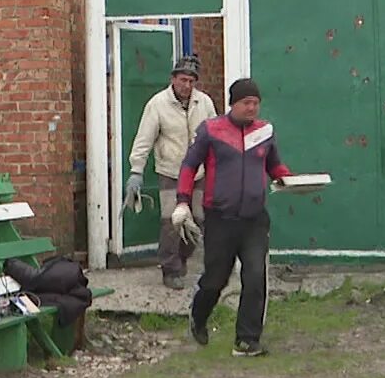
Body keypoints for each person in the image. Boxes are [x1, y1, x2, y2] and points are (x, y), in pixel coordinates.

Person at [173, 77, 290, 357]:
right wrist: (182, 202)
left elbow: (274, 165)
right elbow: (189, 166)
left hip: (254, 219)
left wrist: (289, 181)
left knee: (254, 275)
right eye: (246, 103)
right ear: (233, 104)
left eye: (256, 103)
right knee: (216, 278)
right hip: (220, 219)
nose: (252, 108)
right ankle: (198, 316)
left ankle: (247, 340)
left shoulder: (264, 132)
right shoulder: (211, 131)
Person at [121, 55, 217, 288]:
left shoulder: (203, 103)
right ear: (173, 79)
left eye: (191, 82)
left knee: (198, 220)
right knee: (171, 223)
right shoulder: (158, 104)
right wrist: (136, 171)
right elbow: (144, 139)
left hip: (198, 173)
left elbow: (216, 134)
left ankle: (182, 258)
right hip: (170, 172)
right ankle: (170, 269)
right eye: (183, 80)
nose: (187, 86)